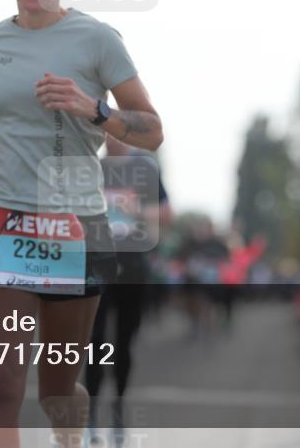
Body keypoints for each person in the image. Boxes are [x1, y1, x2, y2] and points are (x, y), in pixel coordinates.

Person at [0, 0, 164, 448]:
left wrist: (95, 110)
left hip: (73, 224)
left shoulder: (98, 39)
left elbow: (151, 131)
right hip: (2, 216)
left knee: (58, 391)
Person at [85, 136, 172, 445]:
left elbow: (166, 215)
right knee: (93, 341)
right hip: (95, 263)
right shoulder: (89, 163)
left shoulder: (144, 167)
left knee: (124, 341)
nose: (110, 137)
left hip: (133, 265)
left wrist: (136, 209)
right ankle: (91, 412)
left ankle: (118, 404)